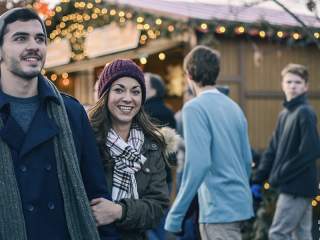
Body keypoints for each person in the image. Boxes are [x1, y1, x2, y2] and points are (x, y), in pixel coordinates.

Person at [0, 7, 117, 240]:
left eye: (40, 39)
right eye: (21, 38)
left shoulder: (72, 113)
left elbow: (96, 197)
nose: (34, 45)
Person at [165, 45, 254, 240]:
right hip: (239, 202)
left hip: (217, 207)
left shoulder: (194, 108)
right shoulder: (234, 107)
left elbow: (199, 164)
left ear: (188, 74)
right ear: (216, 72)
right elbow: (247, 160)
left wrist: (176, 213)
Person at [88, 59, 170, 239]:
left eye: (135, 91)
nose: (128, 98)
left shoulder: (152, 145)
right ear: (105, 94)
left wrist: (120, 211)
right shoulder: (86, 139)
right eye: (119, 89)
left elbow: (158, 207)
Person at [251, 63, 320, 240]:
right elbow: (272, 150)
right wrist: (258, 178)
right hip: (294, 186)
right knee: (301, 234)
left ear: (306, 86)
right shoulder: (284, 114)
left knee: (278, 233)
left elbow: (310, 151)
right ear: (282, 84)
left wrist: (279, 174)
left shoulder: (305, 113)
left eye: (297, 82)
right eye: (288, 82)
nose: (292, 86)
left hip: (297, 187)